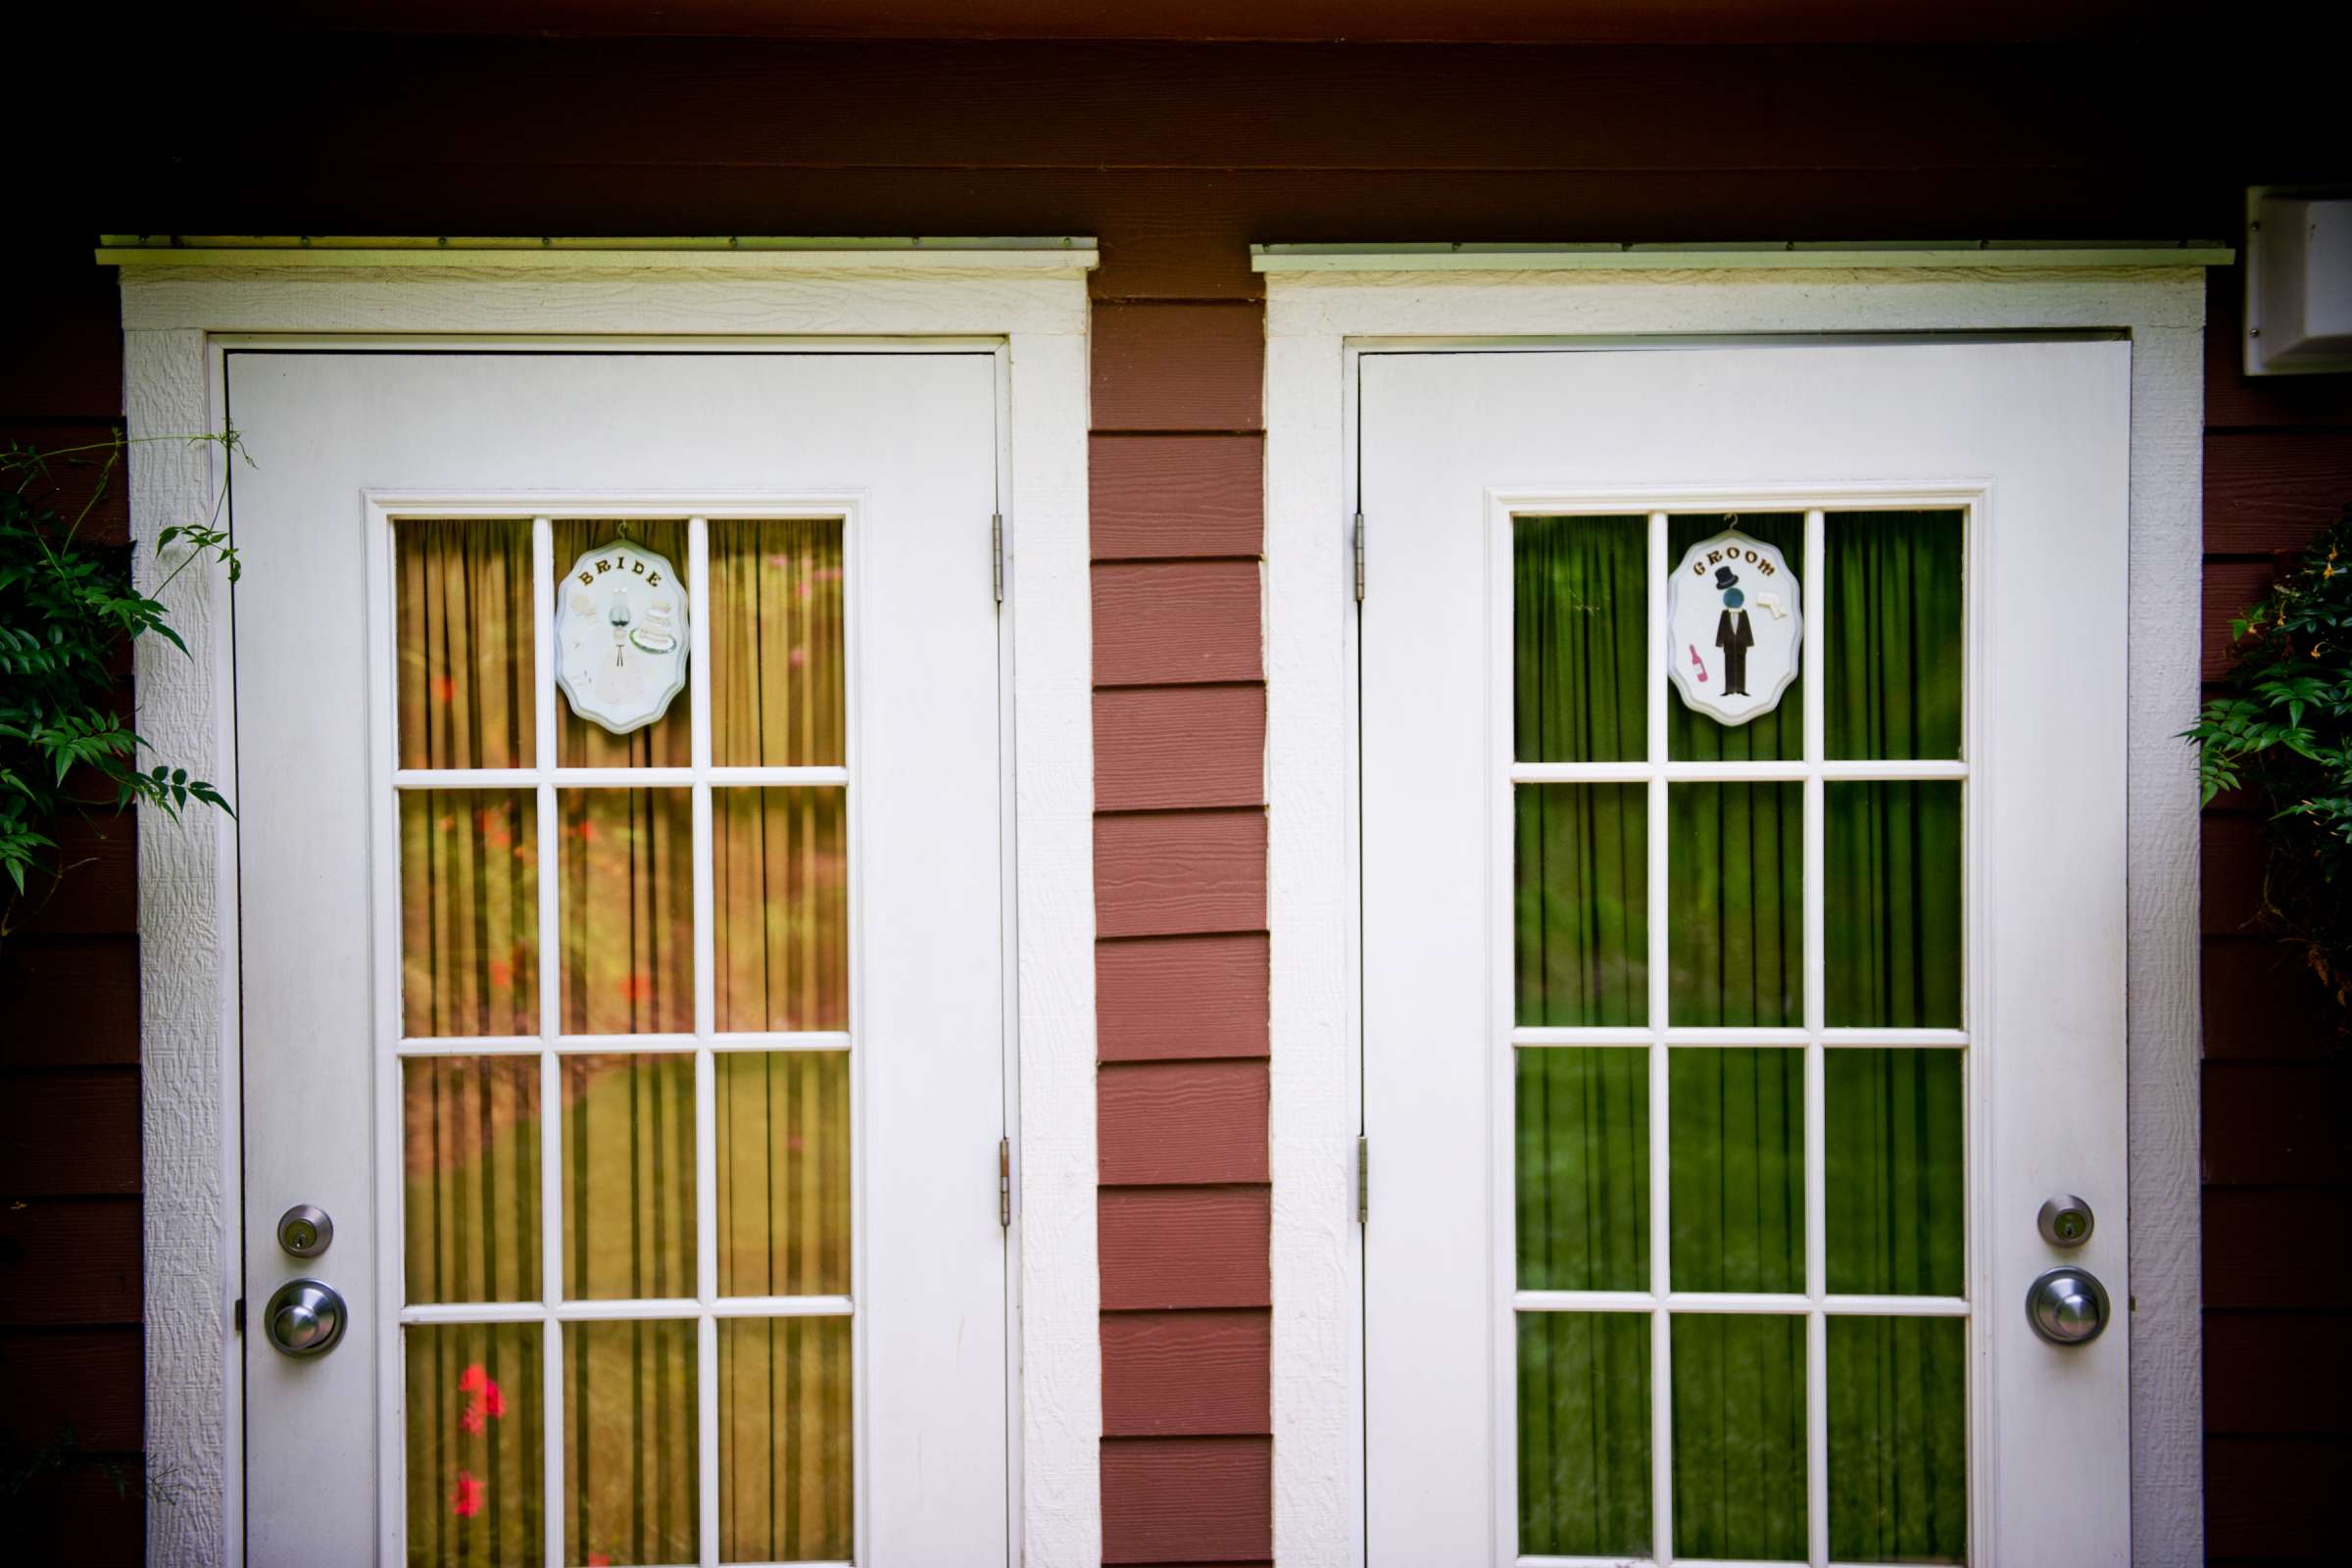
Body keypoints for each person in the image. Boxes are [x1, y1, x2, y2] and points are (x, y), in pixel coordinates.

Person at [1713, 564, 1754, 696]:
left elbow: (1747, 626)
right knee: (1729, 666)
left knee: (1741, 666)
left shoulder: (1744, 611)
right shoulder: (1724, 613)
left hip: (1741, 643)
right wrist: (1719, 642)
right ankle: (1729, 689)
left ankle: (1741, 688)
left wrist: (1748, 642)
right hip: (1729, 644)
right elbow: (1721, 627)